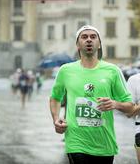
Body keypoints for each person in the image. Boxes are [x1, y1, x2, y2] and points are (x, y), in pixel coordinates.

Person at [49, 25, 134, 164]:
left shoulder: (112, 71)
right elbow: (55, 98)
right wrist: (56, 118)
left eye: (93, 37)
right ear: (77, 44)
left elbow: (130, 107)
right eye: (84, 37)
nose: (89, 40)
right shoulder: (66, 70)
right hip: (76, 143)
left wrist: (115, 104)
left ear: (99, 44)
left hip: (104, 144)